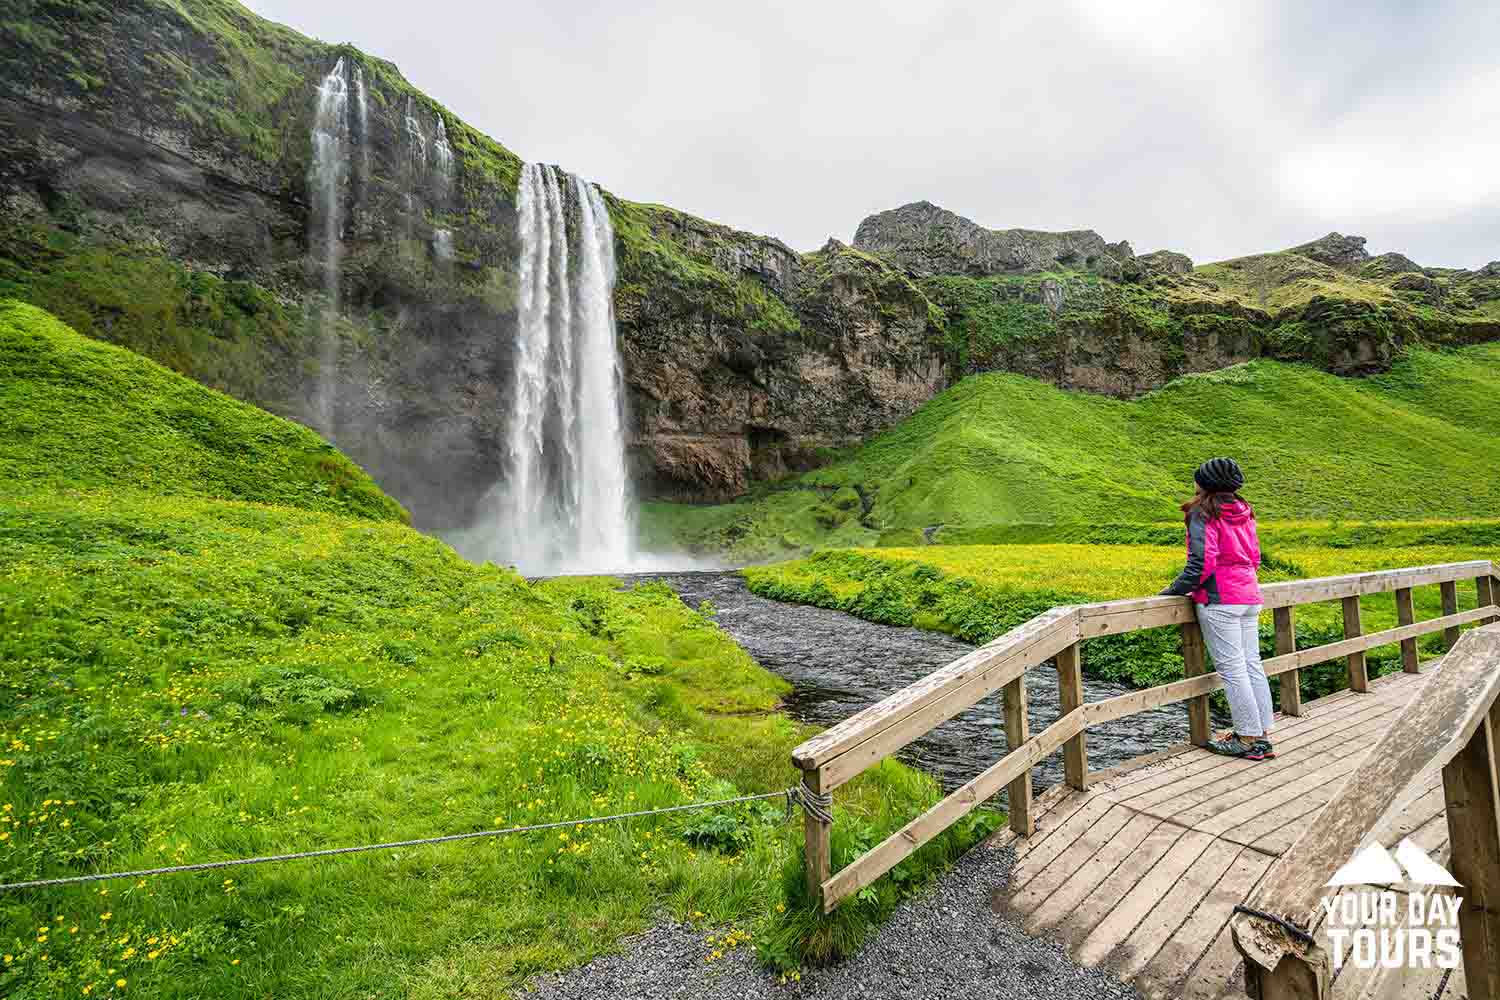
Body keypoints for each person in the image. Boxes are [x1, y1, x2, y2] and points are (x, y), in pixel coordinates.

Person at [1160, 457, 1275, 760]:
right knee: (1252, 664)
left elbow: (1202, 562)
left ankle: (1248, 740)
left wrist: (1173, 590)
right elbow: (1254, 557)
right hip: (1248, 594)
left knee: (1233, 670)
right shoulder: (1243, 509)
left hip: (1221, 598)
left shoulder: (1202, 512)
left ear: (1204, 483)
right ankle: (1261, 735)